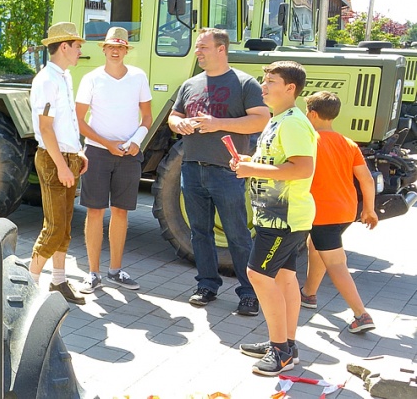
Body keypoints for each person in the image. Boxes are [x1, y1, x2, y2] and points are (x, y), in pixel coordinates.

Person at [168, 28, 269, 316]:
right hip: (191, 168)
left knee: (237, 234)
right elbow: (174, 116)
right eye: (198, 48)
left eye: (202, 47)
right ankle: (207, 285)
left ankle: (249, 293)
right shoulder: (190, 84)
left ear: (221, 49)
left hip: (226, 171)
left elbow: (260, 120)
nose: (197, 52)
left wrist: (218, 123)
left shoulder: (244, 83)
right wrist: (180, 125)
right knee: (199, 233)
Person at [234, 61, 317, 376]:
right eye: (263, 80)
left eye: (270, 81)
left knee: (257, 276)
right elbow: (277, 160)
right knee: (283, 279)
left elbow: (302, 168)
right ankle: (285, 345)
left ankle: (280, 350)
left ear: (290, 88)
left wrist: (252, 169)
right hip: (278, 216)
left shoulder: (293, 122)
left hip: (283, 219)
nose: (263, 86)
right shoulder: (278, 119)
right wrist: (250, 160)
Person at [75, 26, 152, 293]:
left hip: (129, 155)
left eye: (120, 47)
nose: (116, 50)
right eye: (111, 47)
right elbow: (79, 120)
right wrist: (107, 144)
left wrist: (136, 142)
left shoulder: (139, 77)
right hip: (97, 152)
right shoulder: (91, 78)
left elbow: (147, 118)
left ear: (126, 50)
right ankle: (93, 273)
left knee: (121, 212)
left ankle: (115, 271)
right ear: (104, 50)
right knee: (95, 211)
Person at [299, 91, 379, 333]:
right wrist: (369, 209)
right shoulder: (348, 143)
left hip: (322, 211)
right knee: (317, 246)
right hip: (346, 210)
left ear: (312, 114)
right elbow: (366, 179)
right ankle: (309, 294)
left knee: (335, 262)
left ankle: (361, 315)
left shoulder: (309, 141)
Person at [28, 21, 88, 305]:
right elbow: (46, 128)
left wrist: (77, 153)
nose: (80, 51)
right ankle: (28, 287)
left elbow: (64, 124)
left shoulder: (63, 76)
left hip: (66, 157)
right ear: (64, 47)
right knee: (54, 229)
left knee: (64, 228)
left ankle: (58, 282)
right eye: (77, 46)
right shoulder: (48, 79)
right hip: (55, 160)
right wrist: (63, 165)